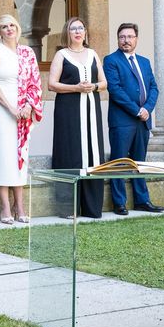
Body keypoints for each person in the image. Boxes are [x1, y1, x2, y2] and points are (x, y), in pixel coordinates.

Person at [102, 23, 164, 215]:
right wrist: (137, 110)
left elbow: (154, 88)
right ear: (117, 39)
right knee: (119, 161)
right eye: (122, 37)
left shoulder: (144, 62)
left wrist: (147, 109)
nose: (126, 40)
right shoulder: (111, 60)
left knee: (140, 162)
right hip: (122, 120)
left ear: (136, 39)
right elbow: (115, 89)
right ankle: (119, 203)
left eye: (130, 36)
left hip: (143, 120)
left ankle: (142, 200)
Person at [0, 14, 43, 224]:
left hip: (24, 112)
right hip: (2, 111)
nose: (9, 29)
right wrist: (11, 108)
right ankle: (5, 207)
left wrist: (28, 106)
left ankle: (20, 205)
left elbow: (35, 82)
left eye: (12, 25)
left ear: (17, 28)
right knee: (4, 156)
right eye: (4, 26)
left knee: (21, 157)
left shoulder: (27, 52)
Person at [49, 16, 107, 218]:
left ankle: (92, 208)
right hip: (69, 110)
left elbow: (104, 82)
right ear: (67, 32)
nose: (77, 32)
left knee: (93, 153)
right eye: (73, 28)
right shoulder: (61, 55)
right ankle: (69, 208)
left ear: (85, 32)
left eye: (81, 28)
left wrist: (94, 86)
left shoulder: (92, 54)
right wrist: (76, 88)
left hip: (92, 108)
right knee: (71, 152)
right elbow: (52, 84)